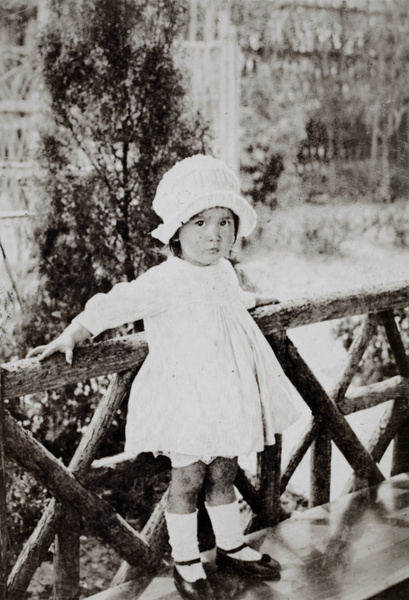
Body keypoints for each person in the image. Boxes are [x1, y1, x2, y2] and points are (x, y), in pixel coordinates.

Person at [28, 155, 302, 600]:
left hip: (227, 395)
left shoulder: (224, 271)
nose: (214, 234)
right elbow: (115, 304)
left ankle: (231, 546)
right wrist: (73, 333)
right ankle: (186, 559)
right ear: (176, 229)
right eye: (199, 222)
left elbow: (230, 300)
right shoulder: (165, 280)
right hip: (188, 397)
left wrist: (257, 302)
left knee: (225, 471)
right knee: (189, 478)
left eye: (224, 222)